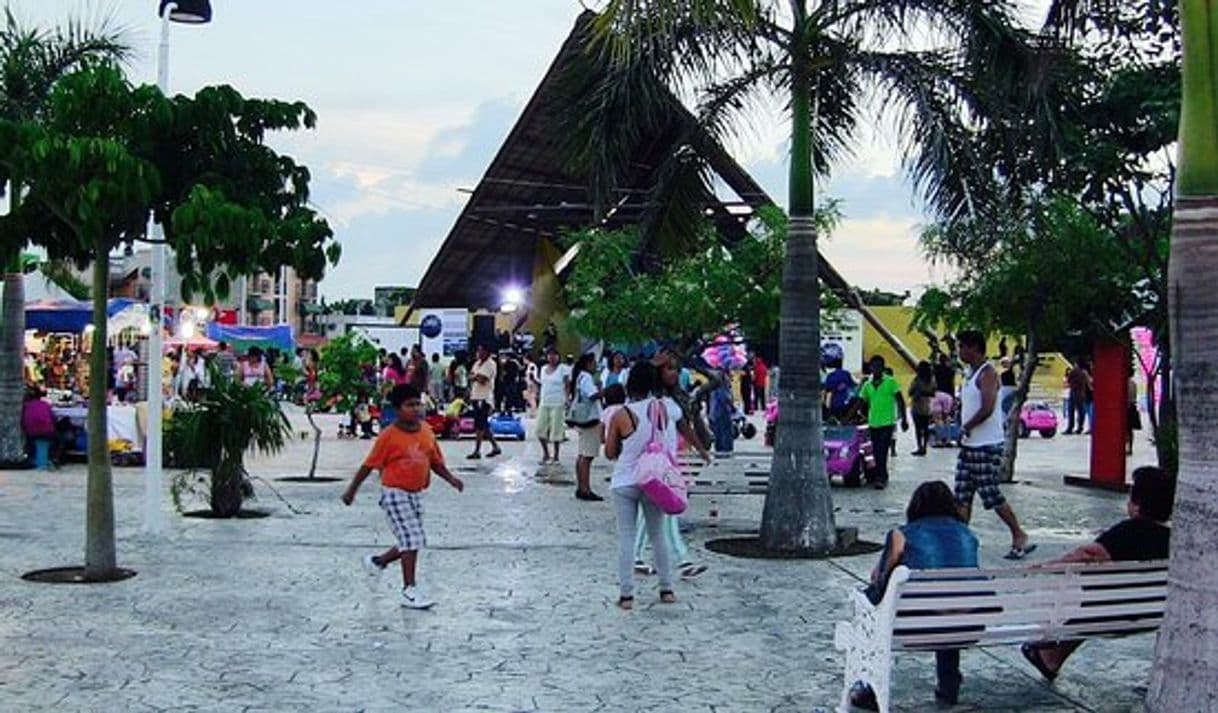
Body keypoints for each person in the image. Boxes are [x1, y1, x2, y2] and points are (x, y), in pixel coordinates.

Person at [1020, 466, 1173, 681]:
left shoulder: (1127, 531)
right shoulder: (1174, 538)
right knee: (1102, 593)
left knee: (1089, 593)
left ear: (1137, 504)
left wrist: (1046, 566)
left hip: (1110, 616)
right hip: (1155, 616)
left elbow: (1087, 553)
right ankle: (1049, 655)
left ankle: (1049, 653)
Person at [852, 481, 980, 709]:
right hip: (969, 625)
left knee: (871, 610)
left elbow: (879, 580)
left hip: (916, 627)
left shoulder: (901, 535)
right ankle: (949, 685)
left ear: (915, 506)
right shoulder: (967, 534)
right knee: (950, 604)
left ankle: (869, 689)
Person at [341, 384, 465, 609]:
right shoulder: (389, 436)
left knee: (410, 540)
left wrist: (451, 479)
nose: (416, 409)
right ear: (397, 409)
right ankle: (409, 589)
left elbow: (435, 461)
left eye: (418, 403)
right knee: (412, 539)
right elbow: (368, 465)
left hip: (416, 492)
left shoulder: (427, 431)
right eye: (410, 405)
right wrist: (352, 490)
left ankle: (377, 562)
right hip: (394, 492)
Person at [603, 362, 677, 610]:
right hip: (653, 480)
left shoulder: (621, 414)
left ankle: (626, 596)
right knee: (658, 534)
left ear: (629, 383)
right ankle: (666, 589)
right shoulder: (662, 409)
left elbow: (610, 452)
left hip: (625, 479)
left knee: (626, 536)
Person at [955, 330, 1034, 560]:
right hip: (970, 446)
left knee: (990, 494)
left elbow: (988, 407)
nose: (959, 351)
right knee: (961, 495)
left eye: (962, 347)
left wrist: (967, 425)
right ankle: (961, 540)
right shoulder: (969, 374)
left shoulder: (987, 373)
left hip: (985, 445)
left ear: (974, 348)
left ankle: (1018, 534)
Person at [859, 355, 908, 489]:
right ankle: (881, 475)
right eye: (873, 366)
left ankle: (880, 478)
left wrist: (904, 419)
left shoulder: (891, 382)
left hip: (887, 423)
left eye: (879, 367)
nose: (876, 369)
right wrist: (847, 417)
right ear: (870, 368)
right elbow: (860, 401)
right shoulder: (867, 385)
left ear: (883, 368)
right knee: (875, 451)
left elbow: (900, 400)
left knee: (882, 450)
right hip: (873, 423)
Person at [569, 352, 603, 501]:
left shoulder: (580, 377)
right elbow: (592, 395)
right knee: (587, 455)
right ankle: (585, 488)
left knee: (582, 454)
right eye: (594, 362)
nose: (596, 365)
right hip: (591, 418)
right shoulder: (587, 378)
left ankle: (581, 487)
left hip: (583, 418)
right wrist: (605, 391)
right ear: (588, 363)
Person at [534, 348, 569, 464]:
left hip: (558, 402)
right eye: (549, 355)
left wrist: (567, 399)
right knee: (540, 430)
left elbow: (567, 385)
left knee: (556, 430)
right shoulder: (543, 369)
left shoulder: (563, 369)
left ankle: (556, 456)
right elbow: (541, 384)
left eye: (554, 355)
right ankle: (546, 454)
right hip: (545, 402)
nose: (552, 357)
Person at [466, 344, 501, 459]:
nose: (479, 353)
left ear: (487, 352)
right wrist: (476, 377)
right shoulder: (477, 363)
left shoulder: (491, 364)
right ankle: (495, 446)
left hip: (485, 397)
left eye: (481, 351)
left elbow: (483, 379)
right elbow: (472, 376)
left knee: (480, 424)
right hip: (476, 396)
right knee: (482, 424)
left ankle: (477, 450)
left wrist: (475, 377)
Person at [908, 361, 937, 456]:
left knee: (918, 428)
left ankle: (919, 446)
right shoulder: (931, 379)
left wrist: (919, 392)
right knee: (925, 428)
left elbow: (910, 392)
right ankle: (924, 447)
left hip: (917, 405)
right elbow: (934, 392)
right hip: (927, 406)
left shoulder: (917, 379)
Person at [823, 357, 856, 421]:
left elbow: (827, 393)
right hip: (844, 405)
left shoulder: (830, 376)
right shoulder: (846, 374)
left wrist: (827, 408)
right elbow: (853, 385)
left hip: (833, 406)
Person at [1066, 359, 1093, 435]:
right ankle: (1080, 428)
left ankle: (1070, 427)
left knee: (1071, 411)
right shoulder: (1084, 373)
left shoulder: (1073, 371)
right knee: (1081, 412)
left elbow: (1068, 382)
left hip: (1073, 393)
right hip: (1082, 394)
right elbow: (1089, 384)